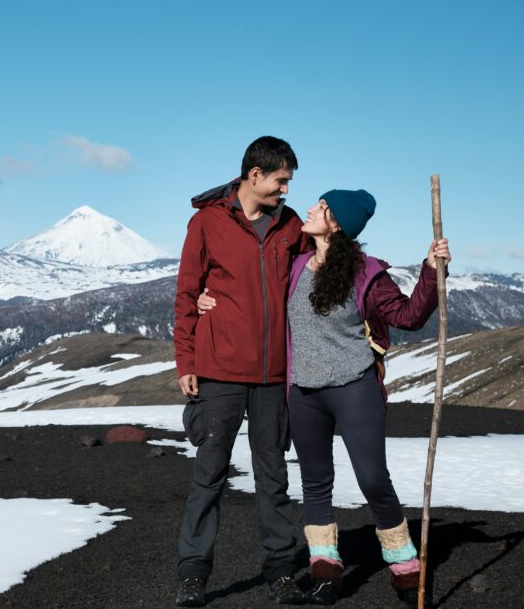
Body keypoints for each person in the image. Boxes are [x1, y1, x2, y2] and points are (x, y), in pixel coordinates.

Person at [197, 190, 451, 606]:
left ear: (337, 224)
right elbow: (253, 297)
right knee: (315, 484)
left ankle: (406, 570)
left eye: (321, 207)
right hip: (303, 393)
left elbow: (409, 316)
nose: (311, 210)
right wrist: (208, 296)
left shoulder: (366, 272)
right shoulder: (296, 266)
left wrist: (430, 270)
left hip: (354, 387)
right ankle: (325, 573)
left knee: (373, 480)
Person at [173, 136, 309, 607]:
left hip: (273, 375)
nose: (286, 190)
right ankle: (193, 573)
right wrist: (186, 361)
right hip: (220, 371)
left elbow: (332, 256)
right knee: (209, 475)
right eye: (281, 180)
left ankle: (280, 570)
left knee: (273, 478)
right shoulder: (207, 223)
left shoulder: (291, 226)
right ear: (255, 175)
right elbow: (187, 294)